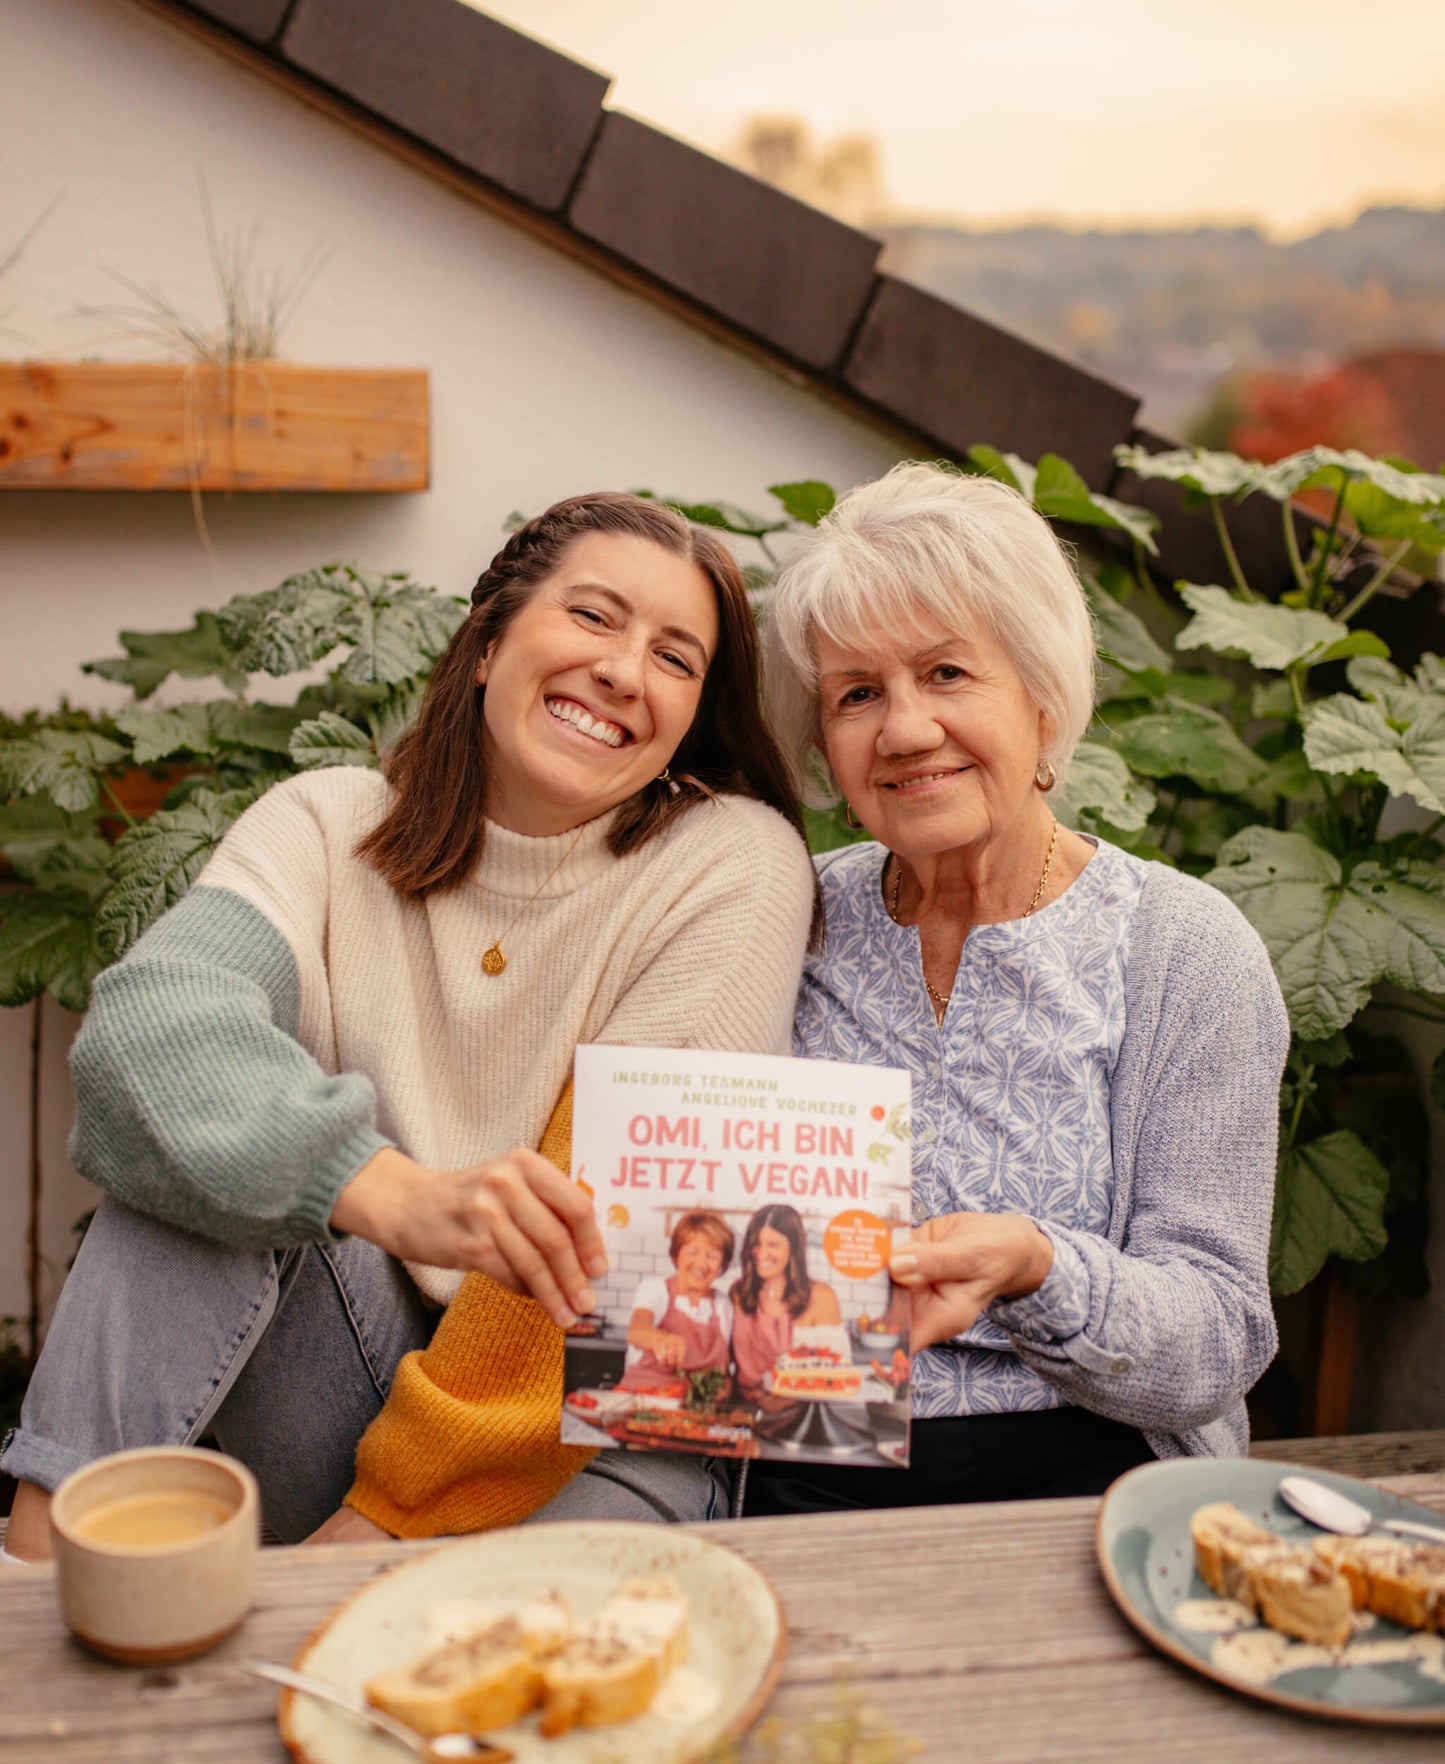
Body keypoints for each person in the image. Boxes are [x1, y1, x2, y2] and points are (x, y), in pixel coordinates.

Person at [2, 492, 818, 1561]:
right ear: (487, 643)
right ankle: (29, 1584)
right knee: (197, 1154)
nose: (624, 669)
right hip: (350, 1388)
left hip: (591, 1431)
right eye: (592, 617)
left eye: (675, 658)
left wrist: (378, 1528)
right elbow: (146, 1037)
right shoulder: (327, 823)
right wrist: (399, 1195)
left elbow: (614, 1264)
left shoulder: (729, 862)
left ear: (691, 715)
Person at [746, 461, 1287, 1516]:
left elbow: (1217, 1339)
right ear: (825, 746)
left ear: (1041, 698)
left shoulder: (1184, 950)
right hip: (798, 1452)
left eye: (946, 674)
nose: (902, 730)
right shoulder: (780, 917)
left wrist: (1040, 1270)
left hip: (1093, 1469)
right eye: (857, 694)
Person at [730, 1203, 840, 1396]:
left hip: (799, 1412)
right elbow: (725, 1360)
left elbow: (832, 1377)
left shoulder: (821, 1297)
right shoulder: (738, 1292)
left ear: (793, 1249)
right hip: (743, 1410)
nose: (761, 1254)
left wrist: (783, 1400)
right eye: (756, 1243)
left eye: (773, 1245)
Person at [620, 1210, 735, 1394]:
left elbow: (724, 1372)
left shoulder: (723, 1306)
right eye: (693, 1252)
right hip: (644, 1400)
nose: (701, 1264)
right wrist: (661, 1340)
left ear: (722, 1263)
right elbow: (636, 1331)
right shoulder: (656, 1290)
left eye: (712, 1256)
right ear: (677, 1255)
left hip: (695, 1413)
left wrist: (724, 1389)